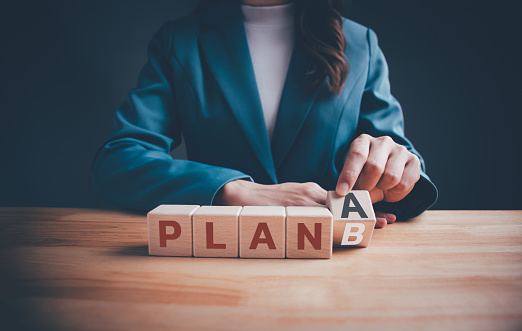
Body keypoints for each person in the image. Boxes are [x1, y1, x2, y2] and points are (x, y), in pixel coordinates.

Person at [92, 0, 438, 227]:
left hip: (334, 262)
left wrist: (396, 171)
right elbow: (119, 161)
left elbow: (397, 154)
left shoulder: (360, 42)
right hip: (218, 257)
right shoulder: (178, 41)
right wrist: (236, 191)